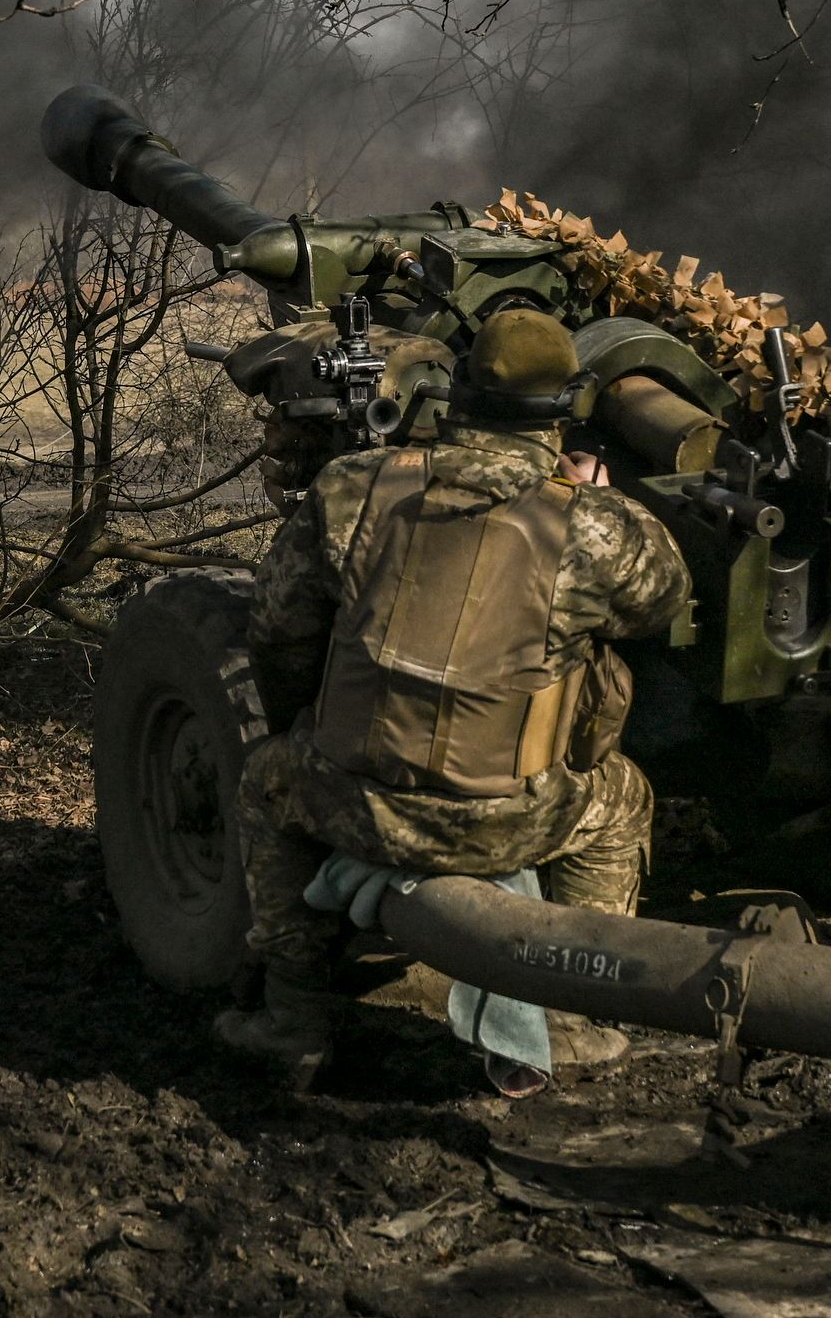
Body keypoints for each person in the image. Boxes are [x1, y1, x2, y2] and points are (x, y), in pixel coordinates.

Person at [214, 308, 692, 1087]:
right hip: (511, 823)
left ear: (459, 393)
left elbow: (276, 629)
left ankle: (291, 1018)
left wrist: (309, 730)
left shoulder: (350, 490)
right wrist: (597, 498)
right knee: (622, 801)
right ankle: (566, 1021)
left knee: (267, 781)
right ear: (564, 407)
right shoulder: (593, 527)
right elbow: (662, 601)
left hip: (355, 803)